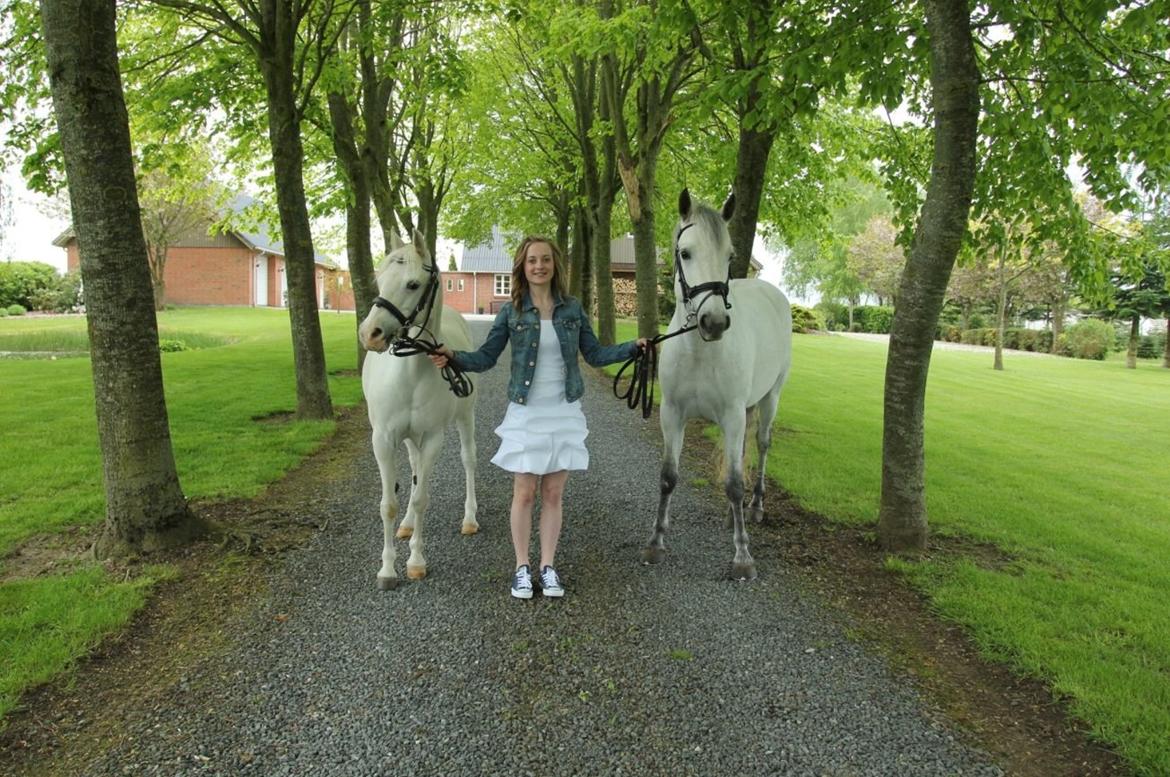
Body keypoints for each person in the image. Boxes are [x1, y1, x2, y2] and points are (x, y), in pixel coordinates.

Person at [429, 236, 646, 600]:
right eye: (532, 261)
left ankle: (547, 567)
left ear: (554, 265)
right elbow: (486, 357)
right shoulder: (512, 311)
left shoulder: (572, 310)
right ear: (523, 266)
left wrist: (632, 348)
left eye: (545, 259)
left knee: (554, 492)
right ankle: (521, 568)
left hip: (563, 411)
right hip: (527, 412)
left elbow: (593, 354)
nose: (539, 266)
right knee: (525, 492)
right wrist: (452, 355)